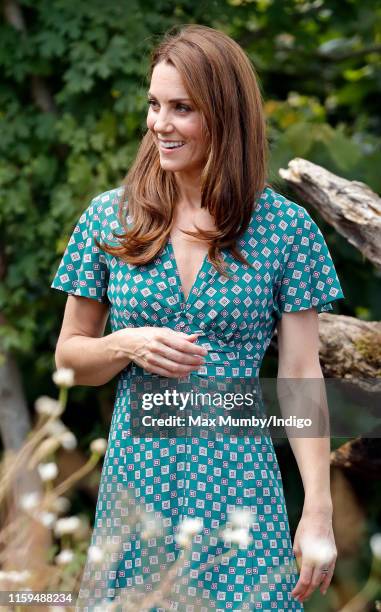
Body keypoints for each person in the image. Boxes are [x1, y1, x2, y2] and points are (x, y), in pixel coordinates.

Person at [51, 24, 344, 611]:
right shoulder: (111, 217)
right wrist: (125, 345)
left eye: (181, 108)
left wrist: (317, 511)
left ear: (225, 116)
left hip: (241, 492)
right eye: (155, 105)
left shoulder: (285, 229)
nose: (160, 123)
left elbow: (300, 376)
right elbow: (69, 358)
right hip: (139, 490)